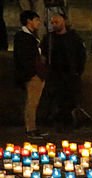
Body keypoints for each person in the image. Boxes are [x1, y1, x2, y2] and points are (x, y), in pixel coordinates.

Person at [41, 11, 85, 131]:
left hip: (70, 74)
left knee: (70, 100)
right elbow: (44, 56)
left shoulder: (74, 37)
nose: (54, 25)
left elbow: (81, 55)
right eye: (53, 23)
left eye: (57, 22)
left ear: (64, 22)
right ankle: (57, 122)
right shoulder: (49, 38)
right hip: (54, 75)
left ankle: (69, 123)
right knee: (56, 100)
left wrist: (78, 71)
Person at [13, 10, 47, 139]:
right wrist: (33, 72)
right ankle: (30, 129)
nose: (39, 23)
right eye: (36, 20)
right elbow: (23, 57)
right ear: (29, 21)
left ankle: (33, 127)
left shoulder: (31, 36)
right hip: (32, 74)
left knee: (34, 102)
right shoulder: (22, 37)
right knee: (31, 102)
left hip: (36, 73)